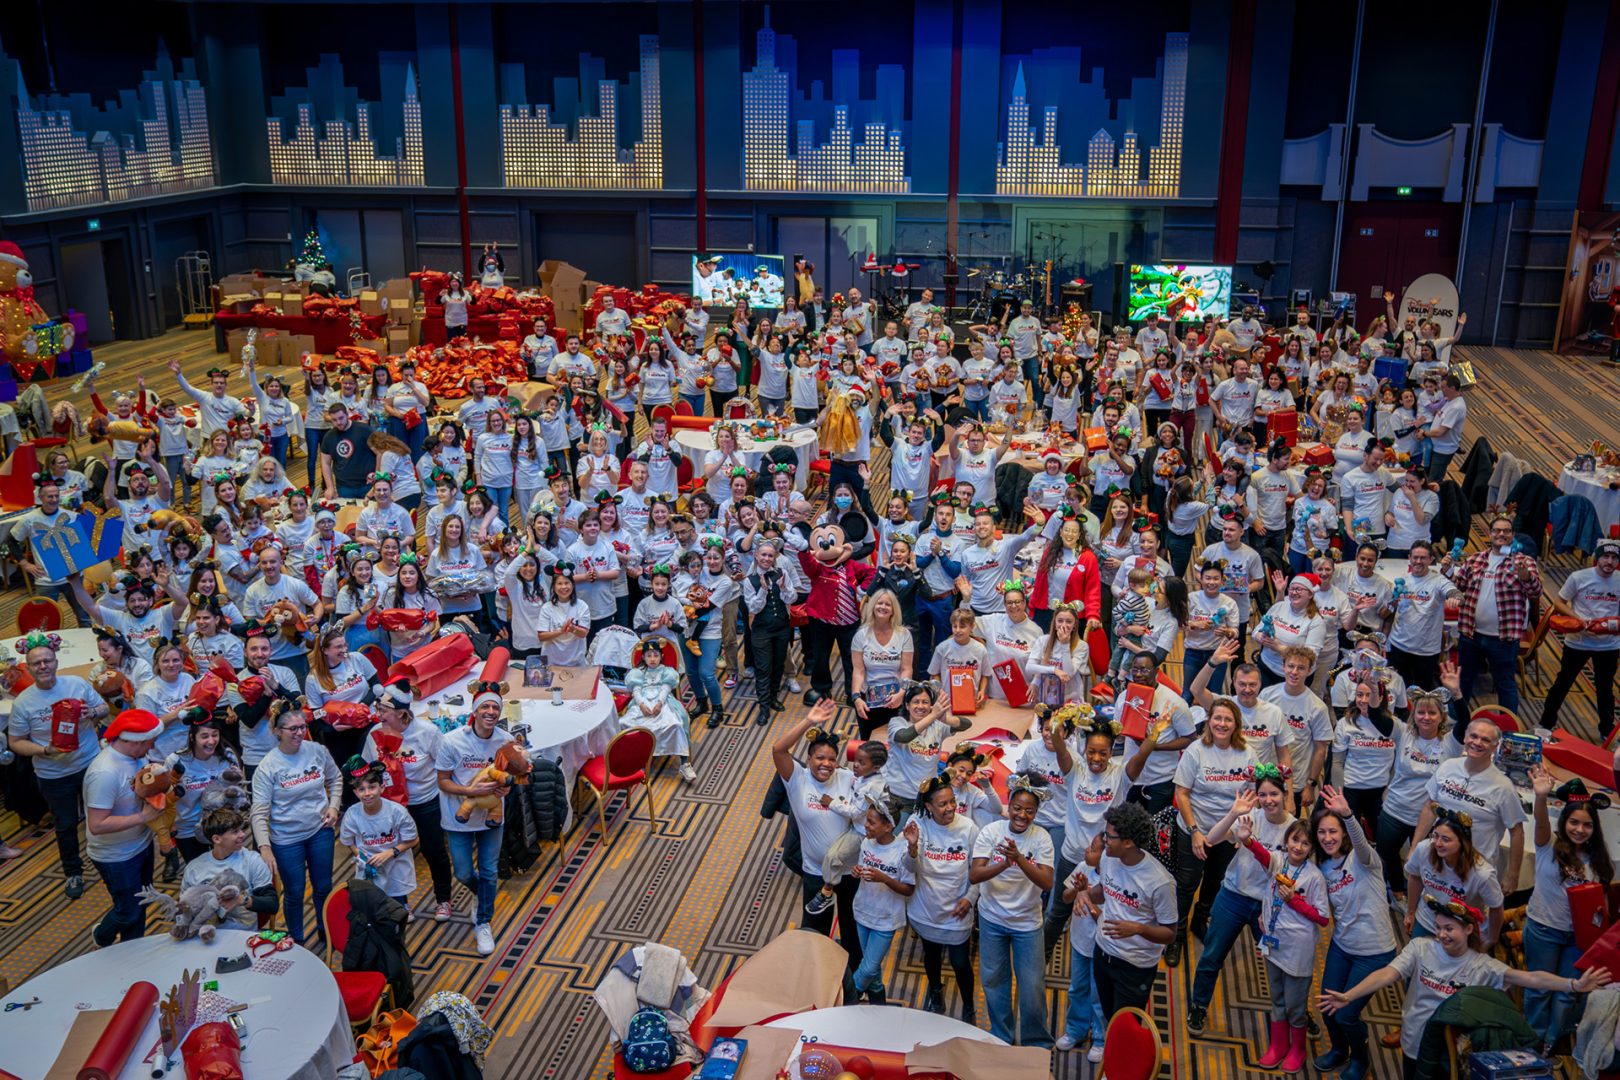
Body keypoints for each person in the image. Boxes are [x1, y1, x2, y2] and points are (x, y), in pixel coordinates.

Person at [1320, 895, 1609, 1080]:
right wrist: (1349, 995)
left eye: (1449, 928)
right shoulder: (1420, 948)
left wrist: (1574, 984)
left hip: (1452, 1051)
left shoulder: (1483, 966)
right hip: (1414, 1042)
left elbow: (1531, 979)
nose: (1441, 934)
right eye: (1438, 927)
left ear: (1469, 929)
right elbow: (1386, 974)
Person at [7, 634, 110, 900]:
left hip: (90, 764)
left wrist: (92, 713)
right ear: (28, 668)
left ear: (56, 661)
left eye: (47, 661)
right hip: (53, 775)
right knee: (65, 826)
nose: (43, 666)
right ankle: (73, 872)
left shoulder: (76, 684)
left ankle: (111, 859)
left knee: (103, 813)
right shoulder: (23, 703)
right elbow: (16, 742)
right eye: (36, 663)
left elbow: (103, 707)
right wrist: (44, 750)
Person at [1523, 772, 1615, 1050]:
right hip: (1544, 928)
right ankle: (1532, 1044)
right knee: (1539, 989)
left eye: (1587, 825)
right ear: (1564, 822)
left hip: (1579, 938)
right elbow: (1541, 821)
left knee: (1569, 993)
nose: (1579, 829)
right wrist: (1541, 796)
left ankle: (1550, 1044)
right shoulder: (1548, 845)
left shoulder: (1598, 859)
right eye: (1574, 822)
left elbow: (1601, 904)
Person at [772, 701, 862, 975]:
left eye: (831, 759)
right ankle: (814, 978)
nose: (826, 764)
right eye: (820, 758)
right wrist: (809, 721)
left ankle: (853, 981)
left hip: (850, 870)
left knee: (852, 928)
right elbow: (778, 749)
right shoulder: (797, 779)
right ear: (809, 758)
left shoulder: (847, 778)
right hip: (815, 871)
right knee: (814, 930)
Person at [1167, 697, 1257, 965]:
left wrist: (1241, 831)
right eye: (1217, 718)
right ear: (1209, 721)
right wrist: (1194, 831)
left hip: (1228, 834)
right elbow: (1182, 793)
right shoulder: (1196, 750)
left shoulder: (1248, 754)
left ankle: (1200, 919)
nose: (1222, 724)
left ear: (1236, 724)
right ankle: (1176, 934)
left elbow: (1252, 795)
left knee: (1215, 881)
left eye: (1228, 719)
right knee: (1186, 884)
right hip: (1194, 829)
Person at [1069, 802, 1178, 1021]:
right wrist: (1084, 891)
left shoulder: (1160, 882)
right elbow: (1104, 892)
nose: (1104, 840)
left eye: (1109, 836)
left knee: (1125, 1023)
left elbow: (1170, 933)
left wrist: (1138, 929)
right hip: (1103, 952)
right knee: (1109, 1015)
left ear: (1128, 842)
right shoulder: (1108, 858)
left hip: (1134, 964)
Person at [971, 773, 1056, 1048]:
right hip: (992, 918)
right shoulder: (991, 832)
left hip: (1027, 923)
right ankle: (1002, 1036)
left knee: (1032, 985)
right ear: (1009, 804)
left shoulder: (1041, 838)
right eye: (1017, 808)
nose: (1022, 815)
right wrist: (1004, 864)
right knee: (994, 980)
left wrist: (1019, 858)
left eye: (1029, 811)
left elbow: (1047, 882)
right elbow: (975, 875)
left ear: (1036, 812)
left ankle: (1037, 1043)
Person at [250, 697, 342, 947]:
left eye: (302, 727)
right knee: (294, 892)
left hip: (320, 830)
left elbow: (336, 778)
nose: (300, 733)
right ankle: (297, 940)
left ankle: (325, 932)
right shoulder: (268, 766)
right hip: (286, 839)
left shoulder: (317, 751)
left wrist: (334, 806)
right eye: (293, 729)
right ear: (277, 731)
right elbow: (259, 812)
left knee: (323, 886)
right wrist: (265, 847)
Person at [363, 679, 454, 921]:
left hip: (425, 802)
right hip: (391, 806)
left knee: (434, 851)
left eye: (384, 710)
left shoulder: (428, 732)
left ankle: (443, 899)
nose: (378, 714)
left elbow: (446, 765)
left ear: (402, 714)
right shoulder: (375, 734)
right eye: (378, 708)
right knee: (394, 854)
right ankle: (400, 903)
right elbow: (366, 770)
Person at [436, 684, 514, 956]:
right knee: (463, 873)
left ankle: (483, 922)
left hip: (492, 816)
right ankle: (481, 893)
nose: (490, 712)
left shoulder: (505, 740)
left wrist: (506, 789)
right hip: (458, 816)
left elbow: (511, 777)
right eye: (485, 706)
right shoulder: (451, 741)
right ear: (475, 711)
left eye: (495, 707)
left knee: (489, 871)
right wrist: (470, 791)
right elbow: (443, 781)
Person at [1444, 515, 1542, 718]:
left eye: (1506, 531)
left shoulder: (1524, 562)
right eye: (1497, 530)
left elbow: (1535, 592)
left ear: (1512, 535)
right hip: (1471, 634)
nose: (1501, 534)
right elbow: (1457, 586)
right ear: (1489, 534)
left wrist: (1525, 576)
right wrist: (1447, 570)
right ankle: (1456, 722)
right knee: (1463, 681)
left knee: (1505, 685)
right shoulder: (1475, 559)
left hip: (1503, 639)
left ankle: (1508, 727)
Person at [83, 709, 167, 946]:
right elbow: (97, 825)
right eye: (150, 741)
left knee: (141, 903)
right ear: (135, 741)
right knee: (128, 910)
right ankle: (102, 935)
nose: (153, 746)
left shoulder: (137, 757)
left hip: (141, 845)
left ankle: (133, 950)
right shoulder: (105, 773)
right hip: (116, 856)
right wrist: (143, 817)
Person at [904, 772, 981, 1020]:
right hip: (926, 909)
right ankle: (936, 993)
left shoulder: (968, 828)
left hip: (958, 910)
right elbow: (908, 868)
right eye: (942, 804)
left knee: (961, 963)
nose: (950, 808)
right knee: (932, 956)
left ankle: (968, 1005)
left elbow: (979, 871)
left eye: (952, 801)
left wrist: (970, 898)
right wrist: (912, 847)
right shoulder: (917, 823)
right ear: (928, 806)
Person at [1543, 538, 1620, 738]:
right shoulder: (1579, 577)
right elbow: (1559, 602)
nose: (1609, 562)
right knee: (1563, 683)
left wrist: (1610, 625)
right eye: (1605, 556)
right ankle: (1545, 724)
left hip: (1609, 645)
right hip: (1578, 641)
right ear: (1597, 557)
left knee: (1605, 689)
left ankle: (1606, 731)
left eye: (1614, 558)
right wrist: (1579, 620)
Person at [1403, 806, 1504, 947]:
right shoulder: (1424, 849)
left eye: (1446, 839)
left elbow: (1496, 907)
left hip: (1462, 930)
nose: (1437, 843)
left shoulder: (1483, 874)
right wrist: (1410, 912)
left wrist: (1492, 938)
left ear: (1463, 842)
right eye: (1435, 835)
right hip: (1426, 921)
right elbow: (1415, 878)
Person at [339, 757, 419, 906]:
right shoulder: (352, 814)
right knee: (372, 909)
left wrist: (390, 852)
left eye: (372, 787)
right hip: (369, 871)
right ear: (355, 792)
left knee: (398, 908)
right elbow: (349, 842)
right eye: (361, 789)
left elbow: (414, 839)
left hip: (396, 868)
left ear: (382, 788)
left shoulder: (397, 812)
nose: (367, 793)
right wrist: (361, 856)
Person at [181, 808, 278, 929]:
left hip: (242, 935)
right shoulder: (193, 869)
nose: (243, 834)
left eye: (241, 829)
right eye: (235, 831)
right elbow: (184, 909)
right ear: (217, 839)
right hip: (203, 933)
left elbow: (272, 904)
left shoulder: (253, 860)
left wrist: (242, 900)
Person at [1381, 541, 1457, 691]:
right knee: (1396, 691)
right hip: (1398, 646)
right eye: (1415, 557)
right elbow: (1387, 613)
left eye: (1423, 558)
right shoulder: (1401, 581)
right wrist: (1393, 602)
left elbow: (1453, 590)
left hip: (1426, 651)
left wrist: (1455, 598)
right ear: (1409, 558)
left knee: (1422, 693)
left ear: (1431, 559)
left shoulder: (1438, 581)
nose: (1418, 561)